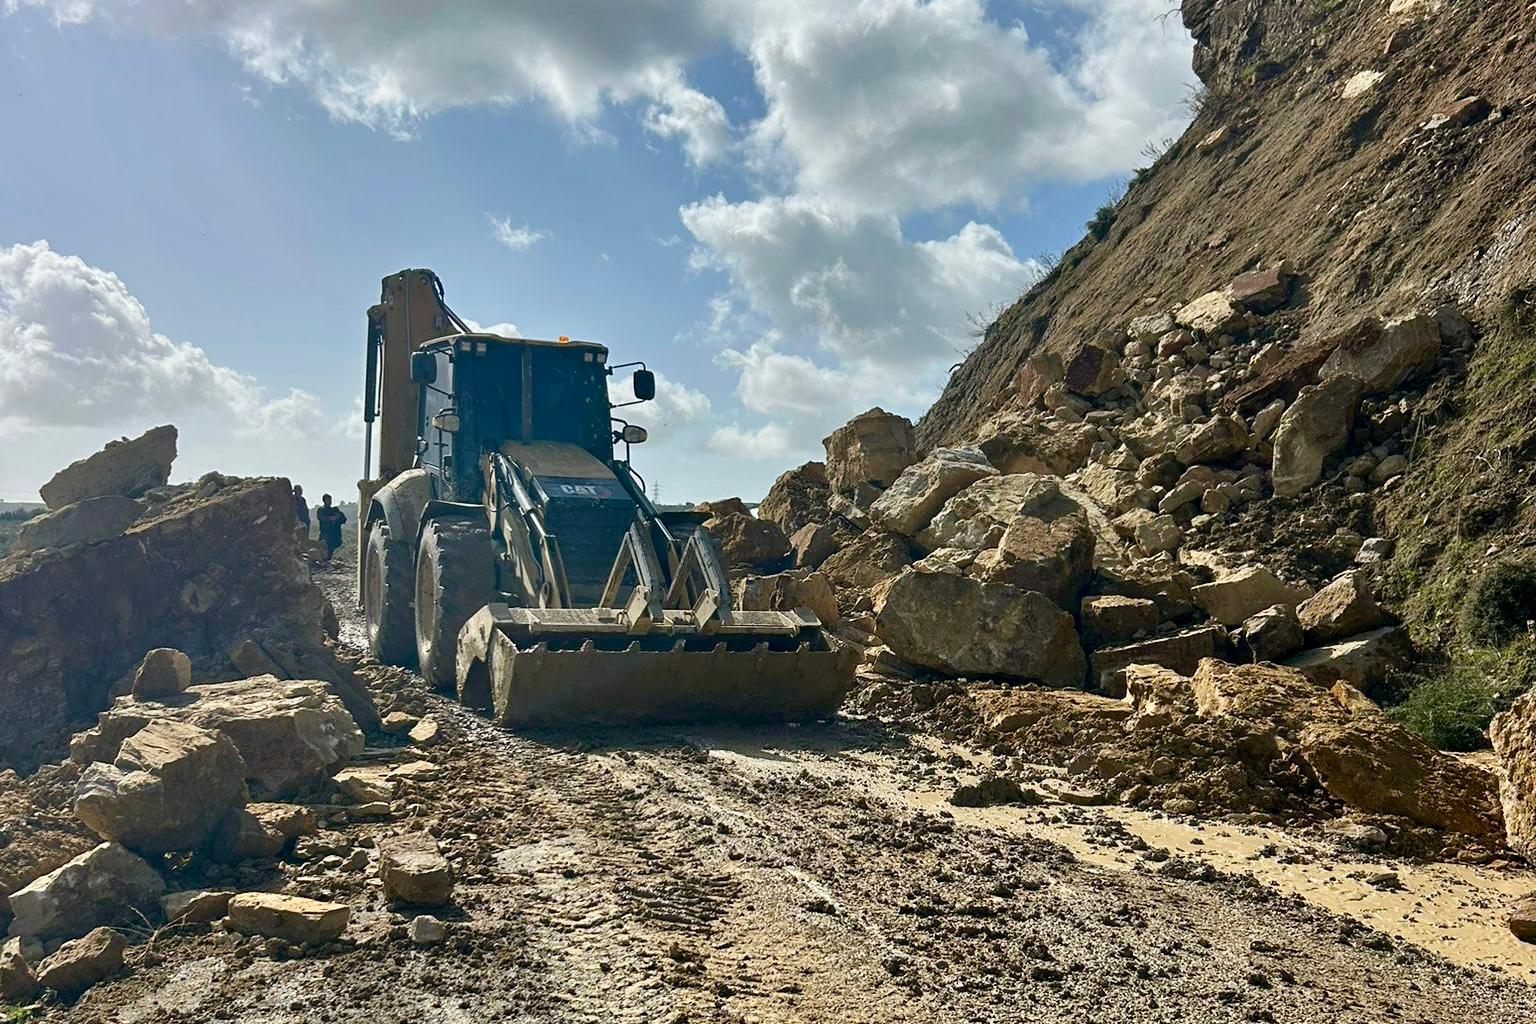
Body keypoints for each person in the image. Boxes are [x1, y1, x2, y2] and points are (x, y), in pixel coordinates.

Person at [316, 493, 347, 562]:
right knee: (324, 550)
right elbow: (322, 518)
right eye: (327, 500)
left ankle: (327, 562)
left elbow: (343, 519)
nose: (329, 502)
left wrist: (337, 517)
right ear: (324, 501)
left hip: (334, 535)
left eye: (330, 500)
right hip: (325, 534)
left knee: (331, 550)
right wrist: (330, 519)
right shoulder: (321, 510)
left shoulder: (335, 510)